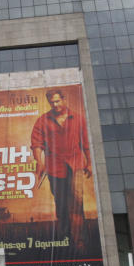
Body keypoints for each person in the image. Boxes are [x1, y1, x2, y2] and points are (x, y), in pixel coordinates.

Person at [30, 89, 91, 252]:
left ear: (64, 99)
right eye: (52, 103)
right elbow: (36, 144)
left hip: (75, 164)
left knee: (77, 203)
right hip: (54, 168)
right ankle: (65, 238)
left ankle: (80, 241)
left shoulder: (78, 119)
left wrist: (90, 163)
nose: (55, 105)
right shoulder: (43, 120)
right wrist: (39, 161)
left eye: (57, 101)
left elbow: (86, 143)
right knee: (61, 204)